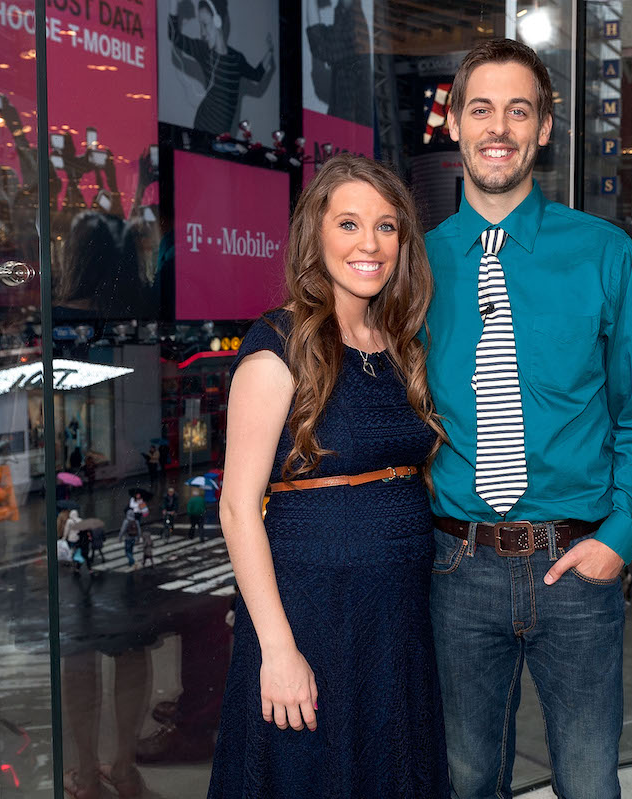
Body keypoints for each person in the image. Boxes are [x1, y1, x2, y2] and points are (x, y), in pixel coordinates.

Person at [423, 39, 632, 798]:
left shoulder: (603, 253)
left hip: (578, 565)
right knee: (468, 780)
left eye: (517, 110)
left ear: (542, 129)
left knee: (588, 782)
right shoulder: (415, 263)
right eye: (480, 109)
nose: (496, 127)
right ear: (452, 124)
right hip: (455, 567)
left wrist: (619, 538)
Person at [208, 154, 448, 797]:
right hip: (312, 611)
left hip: (395, 617)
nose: (370, 244)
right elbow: (236, 509)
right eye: (349, 224)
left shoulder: (401, 344)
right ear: (316, 234)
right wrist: (278, 651)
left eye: (387, 226)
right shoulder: (278, 345)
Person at [166, 1, 275, 135]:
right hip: (203, 128)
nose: (202, 33)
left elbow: (257, 75)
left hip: (223, 134)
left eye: (205, 25)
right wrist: (173, 3)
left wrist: (270, 51)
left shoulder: (237, 59)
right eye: (201, 26)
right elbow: (173, 35)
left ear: (218, 22)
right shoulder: (204, 51)